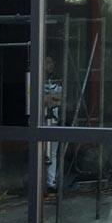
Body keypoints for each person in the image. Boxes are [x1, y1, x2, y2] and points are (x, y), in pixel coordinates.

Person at [43, 55, 63, 191]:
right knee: (41, 151)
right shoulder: (37, 79)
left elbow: (58, 100)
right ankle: (41, 181)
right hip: (41, 120)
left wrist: (50, 99)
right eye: (48, 62)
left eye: (52, 62)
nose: (51, 65)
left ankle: (51, 182)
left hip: (54, 120)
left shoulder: (56, 81)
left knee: (53, 153)